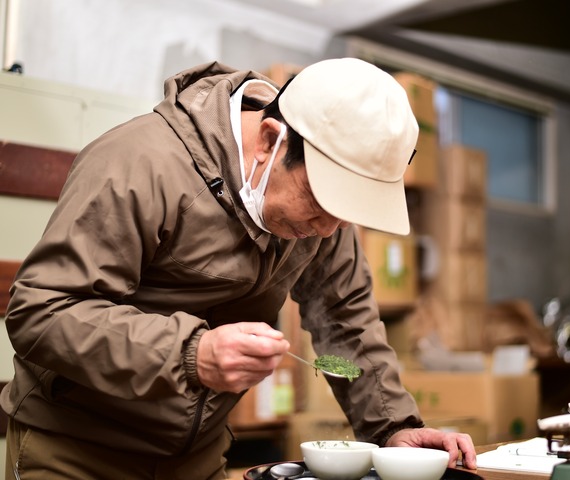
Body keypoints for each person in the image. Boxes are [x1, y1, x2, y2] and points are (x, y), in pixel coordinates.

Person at [1, 57, 476, 479]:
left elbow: (346, 322)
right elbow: (41, 312)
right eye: (321, 201)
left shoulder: (323, 212)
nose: (330, 229)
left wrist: (393, 427)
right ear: (271, 140)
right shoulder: (139, 164)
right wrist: (191, 353)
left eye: (345, 212)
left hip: (198, 456)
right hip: (79, 452)